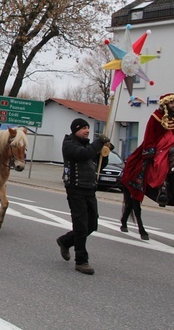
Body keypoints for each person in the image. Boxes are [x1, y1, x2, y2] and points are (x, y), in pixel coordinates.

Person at [122, 92, 174, 206]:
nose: (173, 105)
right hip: (160, 147)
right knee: (161, 164)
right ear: (165, 104)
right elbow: (149, 135)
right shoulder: (155, 117)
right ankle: (162, 190)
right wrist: (150, 150)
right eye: (171, 103)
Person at [55, 118, 112, 275]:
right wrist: (98, 143)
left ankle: (65, 241)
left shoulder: (88, 145)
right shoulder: (69, 144)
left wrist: (105, 152)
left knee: (92, 224)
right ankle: (81, 261)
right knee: (81, 226)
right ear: (75, 130)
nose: (87, 130)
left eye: (88, 127)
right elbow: (83, 155)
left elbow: (99, 163)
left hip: (89, 189)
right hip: (75, 189)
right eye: (83, 128)